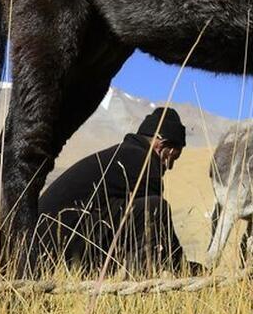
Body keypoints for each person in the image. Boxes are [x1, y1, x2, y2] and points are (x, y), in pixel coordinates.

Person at [34, 107, 200, 275]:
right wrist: (187, 270)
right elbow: (159, 229)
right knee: (155, 208)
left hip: (46, 242)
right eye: (172, 157)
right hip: (61, 245)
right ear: (161, 146)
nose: (170, 166)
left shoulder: (123, 153)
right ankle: (141, 286)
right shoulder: (143, 162)